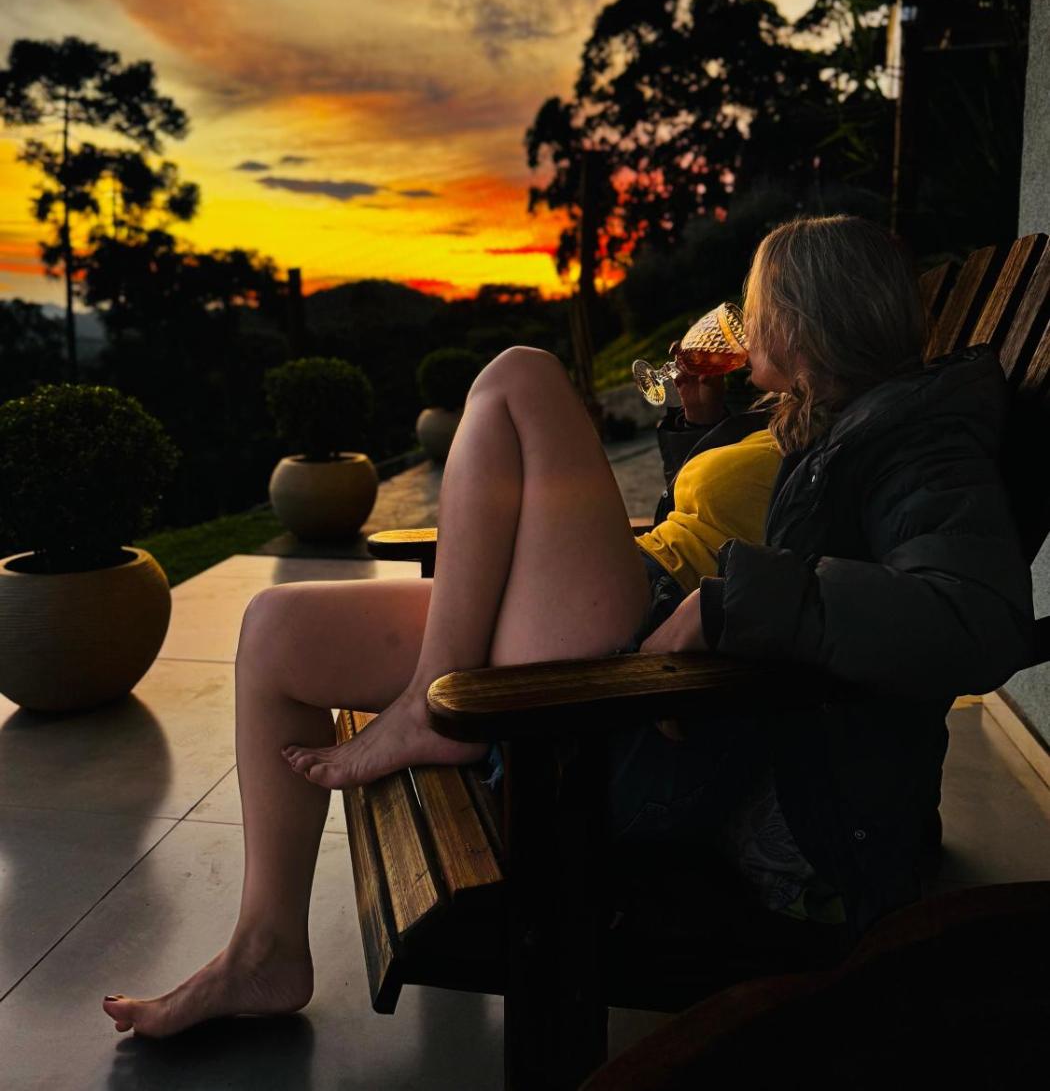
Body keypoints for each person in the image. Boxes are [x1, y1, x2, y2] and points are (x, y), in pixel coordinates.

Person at [101, 215, 1035, 1038]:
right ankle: (263, 951)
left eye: (760, 308)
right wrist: (701, 434)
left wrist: (726, 604)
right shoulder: (827, 417)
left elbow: (977, 619)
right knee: (276, 630)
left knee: (520, 377)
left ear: (802, 320)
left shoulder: (918, 438)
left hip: (641, 718)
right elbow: (755, 523)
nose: (749, 325)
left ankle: (432, 709)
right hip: (638, 634)